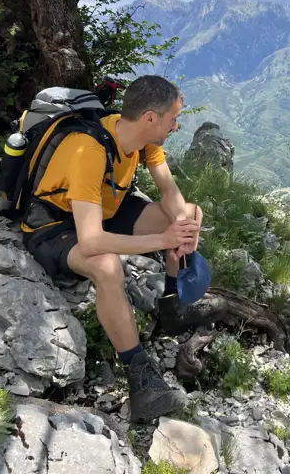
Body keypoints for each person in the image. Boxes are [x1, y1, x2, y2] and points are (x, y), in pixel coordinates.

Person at [20, 75, 203, 423]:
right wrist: (164, 241)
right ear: (150, 118)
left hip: (106, 208)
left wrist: (184, 226)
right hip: (53, 225)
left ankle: (171, 300)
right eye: (172, 119)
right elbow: (91, 240)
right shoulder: (89, 149)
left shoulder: (143, 140)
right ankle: (139, 374)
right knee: (107, 266)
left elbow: (169, 191)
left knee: (190, 212)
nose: (176, 126)